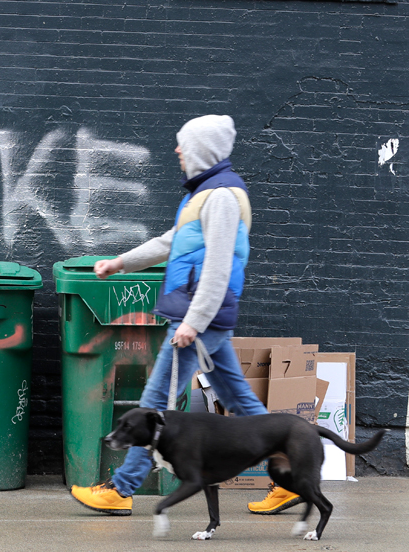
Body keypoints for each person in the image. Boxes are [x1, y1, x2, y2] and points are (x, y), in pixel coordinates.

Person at [69, 114, 301, 516]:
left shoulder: (223, 197)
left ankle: (121, 489)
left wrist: (194, 322)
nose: (176, 150)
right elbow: (171, 241)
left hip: (201, 316)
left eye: (182, 143)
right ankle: (291, 477)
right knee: (239, 400)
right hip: (205, 315)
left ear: (200, 149)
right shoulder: (206, 194)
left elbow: (218, 266)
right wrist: (121, 262)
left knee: (154, 404)